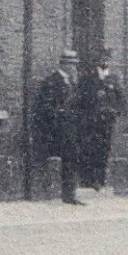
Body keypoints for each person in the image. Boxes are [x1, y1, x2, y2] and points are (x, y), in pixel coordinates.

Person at [32, 49, 83, 205]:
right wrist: (60, 116)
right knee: (57, 159)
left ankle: (69, 195)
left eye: (75, 65)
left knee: (71, 159)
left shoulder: (72, 82)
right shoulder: (52, 81)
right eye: (72, 65)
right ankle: (53, 193)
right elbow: (45, 106)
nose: (75, 68)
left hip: (70, 129)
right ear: (64, 65)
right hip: (56, 129)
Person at [75, 48, 126, 190]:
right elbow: (81, 98)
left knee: (104, 149)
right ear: (98, 61)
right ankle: (88, 180)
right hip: (91, 121)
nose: (105, 61)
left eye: (107, 59)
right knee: (89, 148)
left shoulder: (114, 79)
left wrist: (116, 112)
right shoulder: (89, 78)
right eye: (102, 59)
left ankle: (100, 179)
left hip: (107, 122)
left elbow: (121, 99)